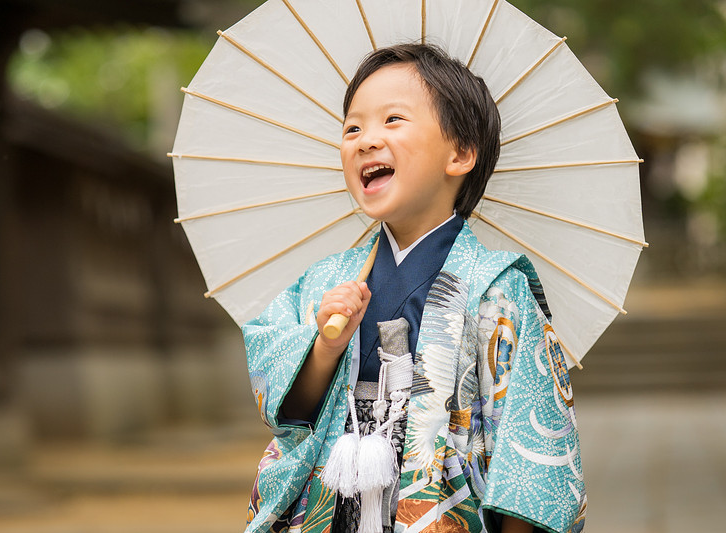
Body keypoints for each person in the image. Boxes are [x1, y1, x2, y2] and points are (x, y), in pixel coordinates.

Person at [243, 44, 585, 533]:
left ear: (460, 153)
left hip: (441, 505)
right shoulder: (327, 281)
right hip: (331, 502)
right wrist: (324, 348)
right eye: (353, 128)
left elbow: (527, 458)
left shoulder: (496, 290)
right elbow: (284, 403)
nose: (366, 141)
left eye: (393, 120)